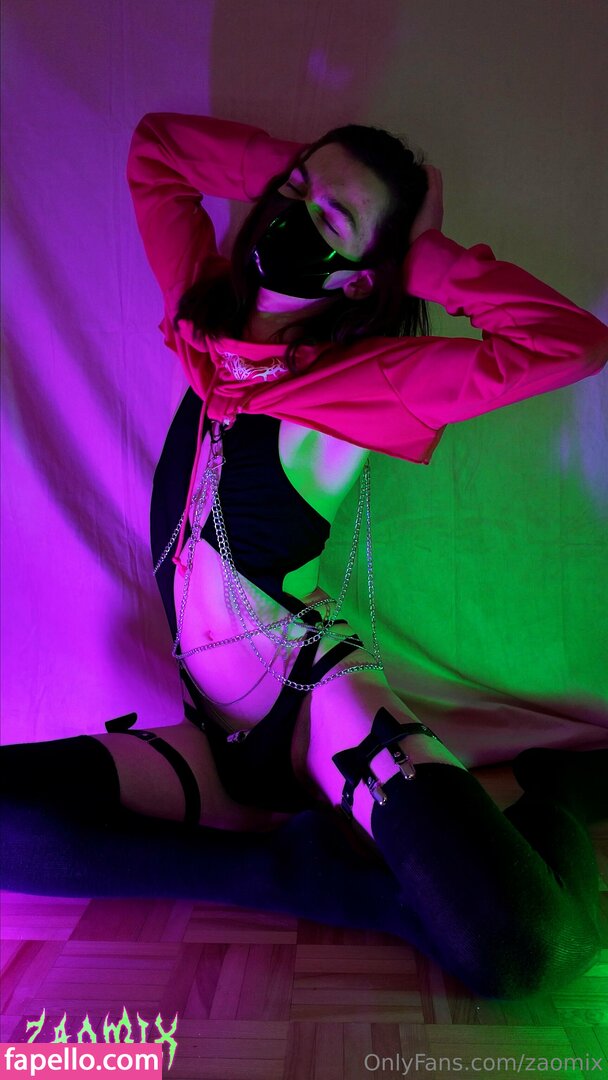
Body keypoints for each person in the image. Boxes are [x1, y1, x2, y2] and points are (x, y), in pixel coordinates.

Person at [2, 111, 607, 1001]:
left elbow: (569, 344)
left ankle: (551, 793)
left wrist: (421, 259)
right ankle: (295, 874)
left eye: (331, 218)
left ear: (361, 275)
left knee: (523, 950)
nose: (294, 216)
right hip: (215, 739)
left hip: (319, 708)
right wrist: (295, 176)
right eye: (294, 192)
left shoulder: (367, 381)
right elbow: (157, 152)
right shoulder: (202, 328)